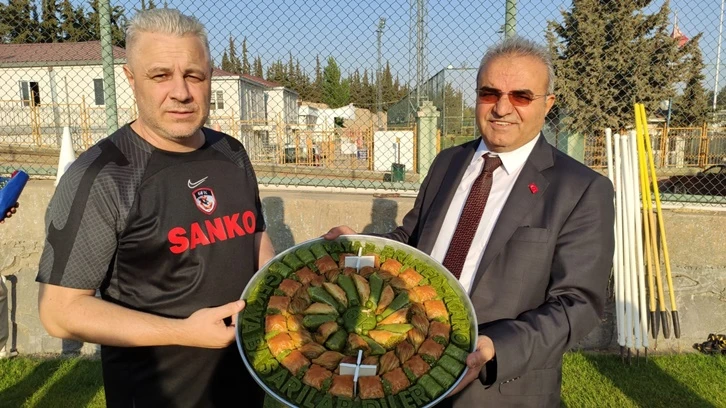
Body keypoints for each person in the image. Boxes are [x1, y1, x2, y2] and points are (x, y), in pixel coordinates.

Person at [325, 36, 614, 407]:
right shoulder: (448, 162)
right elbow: (413, 239)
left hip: (500, 389)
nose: (502, 108)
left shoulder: (581, 189)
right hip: (412, 361)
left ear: (547, 104)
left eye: (521, 96)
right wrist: (366, 246)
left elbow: (579, 303)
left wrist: (496, 348)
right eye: (489, 93)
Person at [36, 9, 274, 407]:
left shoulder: (230, 152)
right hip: (157, 394)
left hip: (244, 384)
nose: (181, 92)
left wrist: (284, 283)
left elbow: (254, 235)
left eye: (194, 75)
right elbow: (59, 312)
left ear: (209, 77)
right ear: (131, 79)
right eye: (160, 75)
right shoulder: (102, 176)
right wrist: (184, 332)